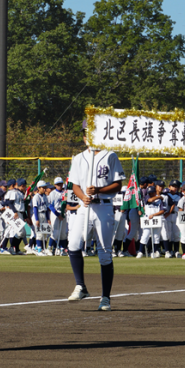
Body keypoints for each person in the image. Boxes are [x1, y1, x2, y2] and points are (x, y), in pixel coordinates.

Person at [66, 120, 126, 311]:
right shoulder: (79, 158)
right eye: (86, 134)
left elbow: (118, 184)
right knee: (73, 244)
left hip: (104, 207)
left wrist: (99, 189)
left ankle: (106, 298)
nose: (88, 137)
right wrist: (83, 196)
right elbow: (74, 184)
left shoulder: (110, 156)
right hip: (85, 207)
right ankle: (80, 286)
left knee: (104, 254)